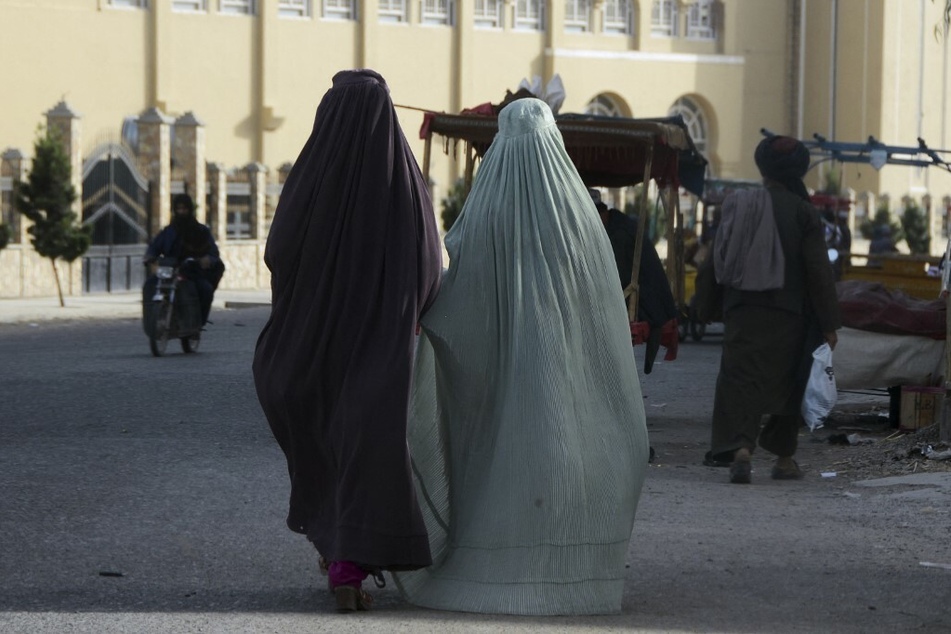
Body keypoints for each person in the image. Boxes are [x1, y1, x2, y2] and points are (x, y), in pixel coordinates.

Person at [393, 98, 650, 615]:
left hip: (502, 387)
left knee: (506, 468)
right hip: (571, 385)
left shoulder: (482, 213)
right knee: (560, 463)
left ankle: (500, 566)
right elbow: (603, 305)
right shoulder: (582, 219)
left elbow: (456, 300)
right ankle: (567, 574)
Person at [251, 70, 442, 612]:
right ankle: (348, 562)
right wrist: (408, 309)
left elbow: (279, 251)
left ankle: (340, 552)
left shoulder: (312, 176)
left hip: (314, 342)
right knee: (368, 441)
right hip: (379, 341)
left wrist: (309, 299)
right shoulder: (404, 182)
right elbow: (428, 262)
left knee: (325, 435)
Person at [703, 135, 841, 483]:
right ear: (799, 169)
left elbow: (714, 259)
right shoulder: (802, 211)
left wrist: (701, 305)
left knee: (739, 381)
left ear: (762, 167)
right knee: (790, 381)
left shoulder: (737, 204)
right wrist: (829, 324)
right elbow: (818, 272)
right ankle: (783, 459)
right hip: (788, 316)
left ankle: (741, 449)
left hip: (741, 311)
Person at [588, 188, 679, 373]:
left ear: (599, 213)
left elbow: (616, 275)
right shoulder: (618, 224)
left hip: (646, 299)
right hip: (650, 297)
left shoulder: (619, 233)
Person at [143, 193, 224, 325]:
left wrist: (206, 259)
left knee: (205, 290)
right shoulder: (169, 231)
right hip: (170, 270)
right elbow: (156, 246)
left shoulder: (200, 231)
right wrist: (150, 256)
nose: (181, 212)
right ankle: (152, 321)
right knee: (150, 284)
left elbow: (213, 252)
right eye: (178, 209)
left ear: (189, 210)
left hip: (192, 271)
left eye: (184, 209)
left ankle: (198, 323)